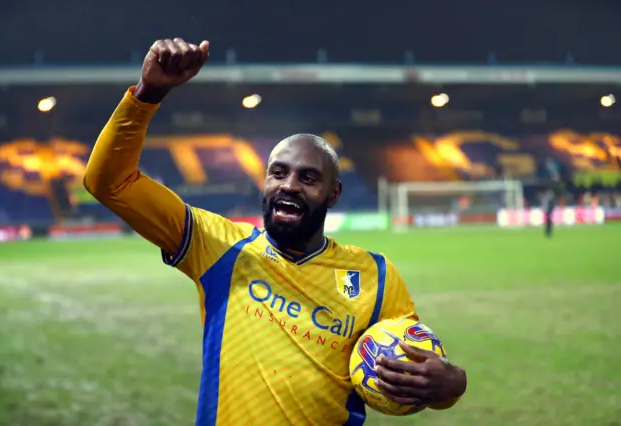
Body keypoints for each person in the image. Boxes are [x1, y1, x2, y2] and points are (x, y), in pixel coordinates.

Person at [84, 38, 467, 426]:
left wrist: (452, 383)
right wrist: (148, 94)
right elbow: (109, 182)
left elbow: (420, 370)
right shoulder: (217, 245)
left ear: (333, 193)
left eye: (308, 178)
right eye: (278, 173)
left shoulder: (376, 276)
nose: (289, 185)